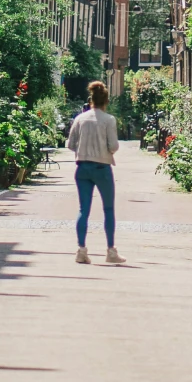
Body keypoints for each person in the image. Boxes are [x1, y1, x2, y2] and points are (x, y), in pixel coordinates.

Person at [68, 80, 122, 264]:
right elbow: (113, 146)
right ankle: (110, 251)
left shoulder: (80, 119)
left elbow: (70, 144)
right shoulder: (109, 120)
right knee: (108, 209)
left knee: (83, 209)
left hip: (82, 167)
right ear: (106, 101)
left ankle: (81, 250)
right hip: (102, 168)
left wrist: (82, 149)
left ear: (90, 100)